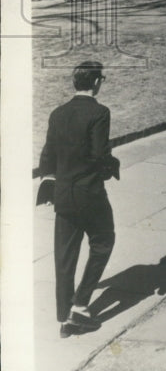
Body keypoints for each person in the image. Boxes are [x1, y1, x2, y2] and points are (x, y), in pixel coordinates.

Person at [38, 61, 119, 338]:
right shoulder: (100, 112)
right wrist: (111, 165)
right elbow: (99, 155)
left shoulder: (58, 113)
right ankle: (81, 306)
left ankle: (63, 319)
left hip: (63, 194)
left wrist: (50, 188)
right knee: (103, 241)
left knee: (64, 256)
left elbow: (48, 155)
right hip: (90, 194)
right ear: (96, 83)